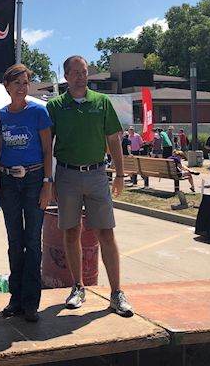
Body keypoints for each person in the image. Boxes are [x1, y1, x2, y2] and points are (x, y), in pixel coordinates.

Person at [46, 55, 133, 316]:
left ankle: (117, 293)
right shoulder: (56, 106)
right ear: (66, 76)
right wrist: (48, 181)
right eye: (74, 72)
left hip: (97, 175)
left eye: (83, 72)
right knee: (71, 232)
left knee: (105, 233)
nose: (80, 76)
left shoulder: (102, 102)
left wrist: (119, 174)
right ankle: (77, 287)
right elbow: (46, 146)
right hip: (66, 175)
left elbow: (114, 140)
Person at [0, 64, 53, 323]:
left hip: (33, 180)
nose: (21, 87)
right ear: (6, 86)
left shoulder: (39, 112)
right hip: (9, 182)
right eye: (16, 82)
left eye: (25, 82)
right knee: (14, 242)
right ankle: (15, 299)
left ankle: (31, 302)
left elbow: (47, 150)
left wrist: (47, 183)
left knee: (32, 241)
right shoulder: (1, 116)